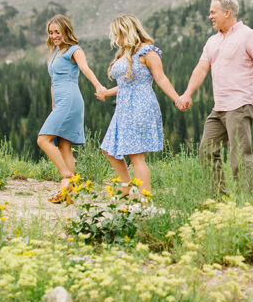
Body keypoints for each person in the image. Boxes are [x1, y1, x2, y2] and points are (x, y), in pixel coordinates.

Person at [176, 0, 253, 195]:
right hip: (219, 107)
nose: (209, 16)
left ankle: (245, 203)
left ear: (227, 13)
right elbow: (201, 69)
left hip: (240, 104)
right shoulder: (212, 41)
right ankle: (219, 200)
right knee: (207, 151)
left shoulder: (249, 35)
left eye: (213, 12)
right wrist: (187, 93)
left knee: (239, 155)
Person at [96, 14, 179, 199]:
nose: (116, 39)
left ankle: (145, 199)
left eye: (118, 34)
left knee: (136, 156)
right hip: (124, 107)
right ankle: (127, 187)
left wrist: (177, 98)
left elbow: (161, 78)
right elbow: (127, 83)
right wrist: (107, 92)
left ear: (127, 31)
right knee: (108, 148)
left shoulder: (148, 52)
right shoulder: (126, 52)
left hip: (140, 105)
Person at [37, 14, 107, 204]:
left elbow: (85, 69)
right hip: (60, 101)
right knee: (64, 146)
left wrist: (99, 86)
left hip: (70, 99)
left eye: (57, 32)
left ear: (66, 31)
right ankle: (66, 193)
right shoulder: (54, 53)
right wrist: (53, 107)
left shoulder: (74, 50)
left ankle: (67, 176)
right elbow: (53, 83)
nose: (53, 36)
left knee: (43, 140)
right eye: (51, 33)